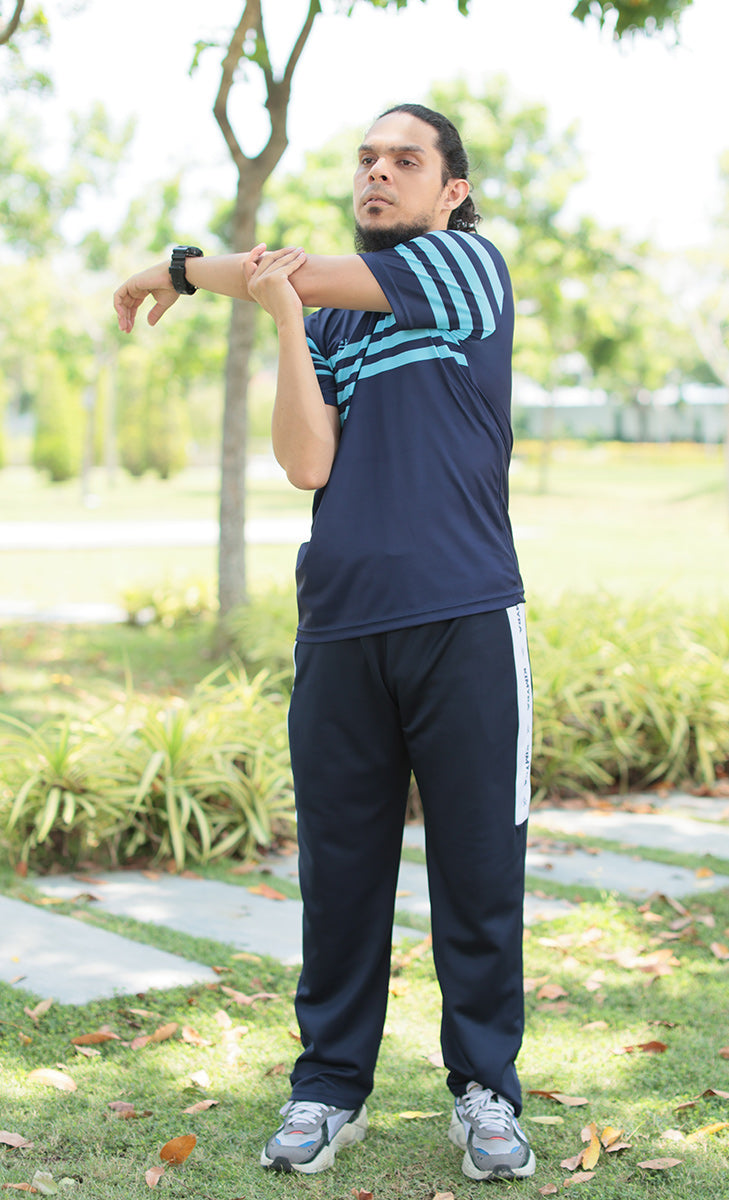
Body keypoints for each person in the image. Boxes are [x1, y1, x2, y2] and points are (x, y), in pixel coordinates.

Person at [114, 102, 535, 1184]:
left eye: (405, 160)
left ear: (451, 190)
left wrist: (182, 269)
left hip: (465, 620)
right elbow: (308, 463)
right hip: (341, 629)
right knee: (341, 878)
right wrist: (285, 319)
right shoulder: (335, 317)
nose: (378, 173)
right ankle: (328, 1089)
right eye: (366, 159)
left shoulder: (466, 267)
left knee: (478, 872)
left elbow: (289, 267)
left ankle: (486, 1093)